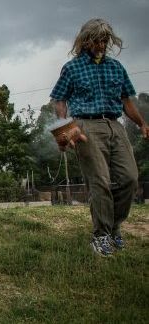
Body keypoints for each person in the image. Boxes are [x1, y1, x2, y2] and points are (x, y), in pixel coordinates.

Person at [50, 18, 148, 257]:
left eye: (105, 40)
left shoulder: (116, 67)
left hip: (115, 124)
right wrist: (64, 127)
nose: (101, 44)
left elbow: (126, 101)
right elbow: (59, 99)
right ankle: (101, 236)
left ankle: (113, 227)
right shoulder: (72, 68)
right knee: (100, 181)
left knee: (129, 178)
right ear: (85, 41)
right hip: (86, 126)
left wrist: (142, 123)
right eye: (96, 40)